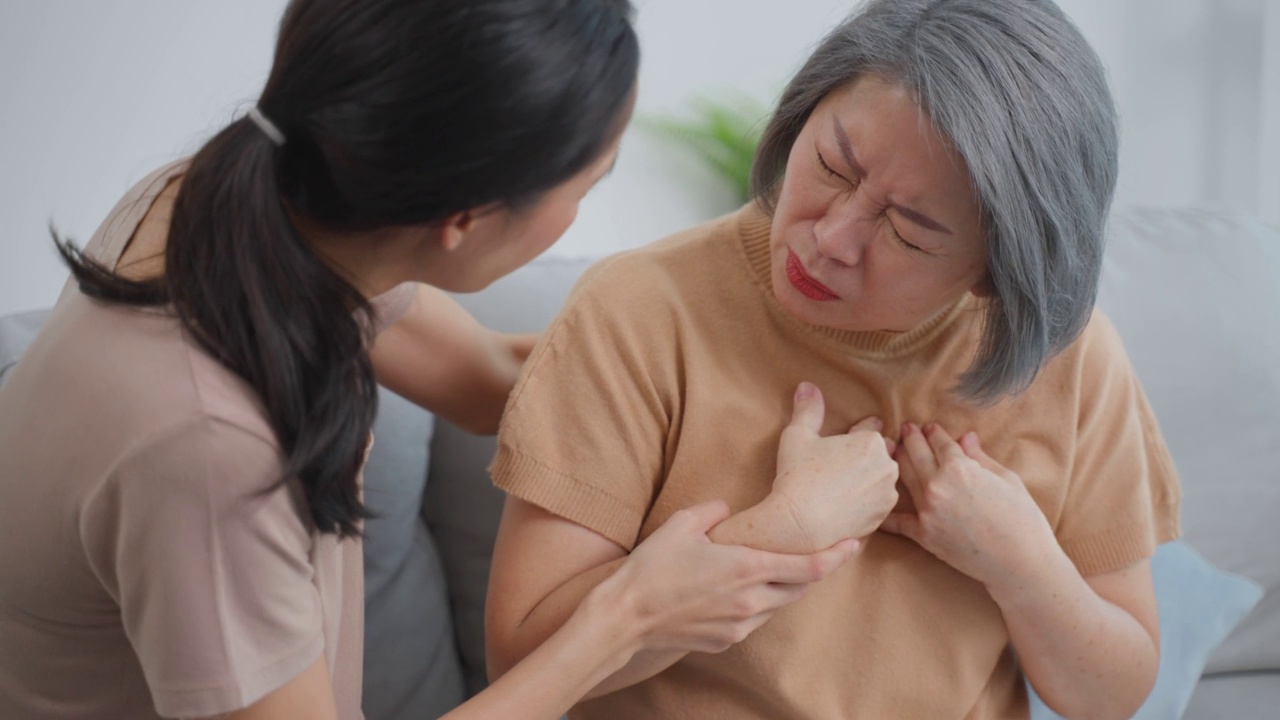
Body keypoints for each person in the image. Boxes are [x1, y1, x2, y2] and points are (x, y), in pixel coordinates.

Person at [0, 1, 881, 718]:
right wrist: (630, 615)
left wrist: (732, 346)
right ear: (462, 219)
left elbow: (493, 383)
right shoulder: (207, 449)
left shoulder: (253, 201)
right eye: (590, 184)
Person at [485, 0, 1182, 718]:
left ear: (993, 270)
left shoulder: (1073, 362)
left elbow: (1112, 696)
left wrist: (1025, 568)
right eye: (831, 165)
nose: (831, 239)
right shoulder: (640, 311)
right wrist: (778, 539)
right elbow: (522, 660)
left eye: (909, 234)